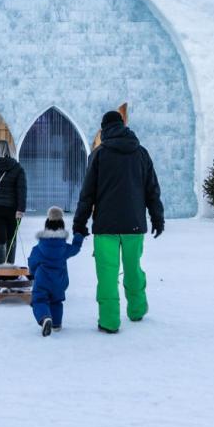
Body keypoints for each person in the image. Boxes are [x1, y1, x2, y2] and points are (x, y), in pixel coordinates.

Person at [73, 110, 165, 334]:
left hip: (106, 226)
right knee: (133, 268)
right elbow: (152, 189)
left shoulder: (99, 154)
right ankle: (137, 309)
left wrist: (80, 223)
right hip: (134, 223)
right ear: (123, 125)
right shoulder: (141, 153)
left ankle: (109, 321)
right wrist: (157, 217)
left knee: (107, 273)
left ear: (104, 129)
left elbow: (88, 194)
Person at [26, 206, 87, 337]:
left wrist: (33, 273)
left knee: (39, 300)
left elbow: (32, 262)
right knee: (56, 301)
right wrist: (79, 235)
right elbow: (76, 248)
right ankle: (56, 324)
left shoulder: (38, 248)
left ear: (46, 228)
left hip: (42, 280)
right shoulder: (64, 248)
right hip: (60, 281)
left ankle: (44, 318)